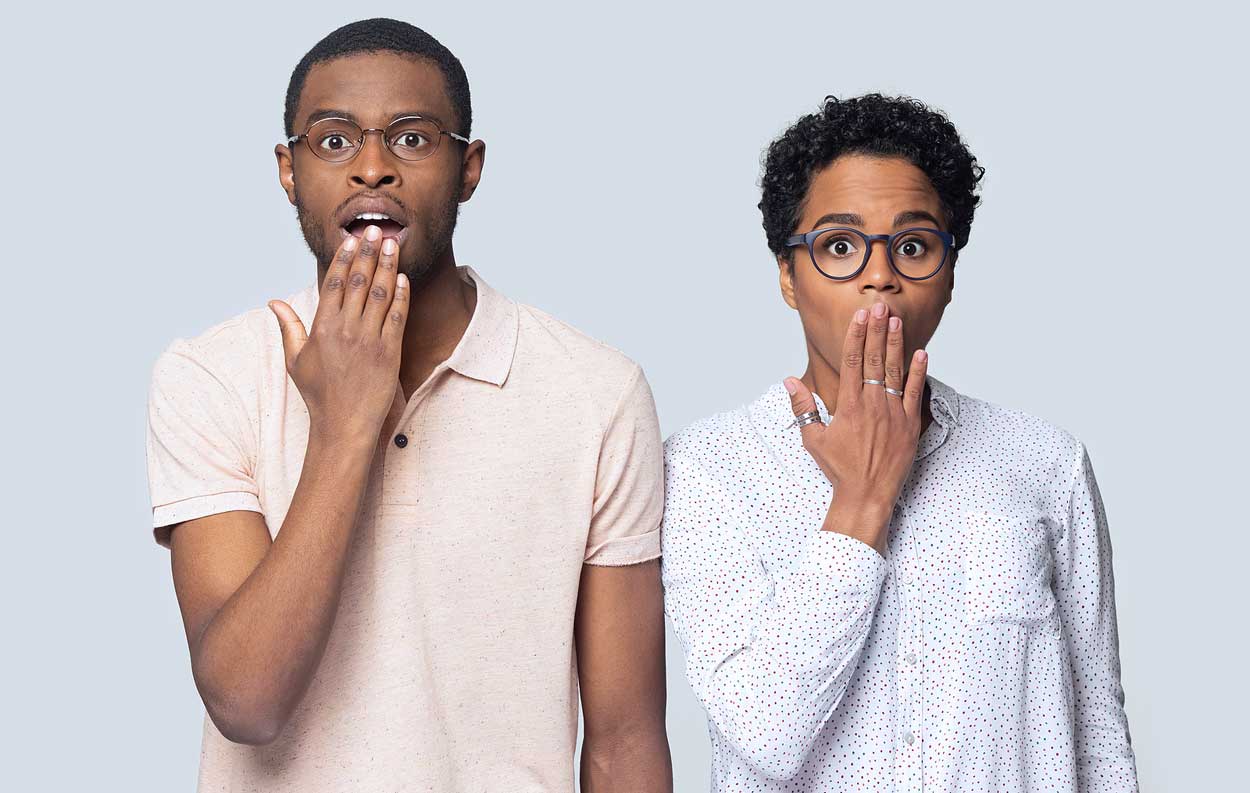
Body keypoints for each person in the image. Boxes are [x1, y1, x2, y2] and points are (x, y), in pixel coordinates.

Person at [145, 18, 671, 792]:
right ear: (288, 172)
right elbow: (245, 700)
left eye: (413, 139)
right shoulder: (210, 376)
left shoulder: (597, 391)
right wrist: (345, 426)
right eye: (333, 141)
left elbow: (624, 742)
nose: (371, 168)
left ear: (470, 167)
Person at [660, 93, 1138, 791]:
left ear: (948, 276)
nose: (879, 275)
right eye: (840, 245)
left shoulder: (1045, 462)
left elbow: (1097, 735)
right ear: (789, 276)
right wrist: (862, 500)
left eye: (913, 245)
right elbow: (763, 733)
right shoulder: (708, 468)